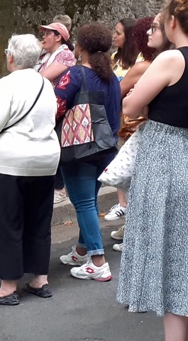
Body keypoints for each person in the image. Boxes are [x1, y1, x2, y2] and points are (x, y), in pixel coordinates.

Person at [118, 0, 188, 339]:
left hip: (166, 159)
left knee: (173, 267)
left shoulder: (170, 58)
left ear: (173, 22)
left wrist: (144, 100)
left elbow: (130, 104)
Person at [0, 34, 60, 306]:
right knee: (38, 220)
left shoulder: (6, 85)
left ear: (10, 56)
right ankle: (39, 278)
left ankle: (8, 285)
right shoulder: (46, 85)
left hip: (10, 163)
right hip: (45, 161)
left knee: (7, 221)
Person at [55, 23, 120, 281]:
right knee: (89, 201)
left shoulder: (75, 74)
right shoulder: (111, 77)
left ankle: (97, 260)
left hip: (78, 148)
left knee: (83, 203)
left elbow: (56, 106)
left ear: (80, 46)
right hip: (105, 147)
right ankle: (82, 250)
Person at [103, 17, 151, 225]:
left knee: (132, 172)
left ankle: (130, 219)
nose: (114, 36)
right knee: (123, 169)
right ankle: (124, 210)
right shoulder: (114, 57)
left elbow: (119, 92)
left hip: (135, 121)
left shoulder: (141, 62)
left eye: (119, 33)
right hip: (121, 121)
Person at [34, 21, 76, 205]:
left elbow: (41, 77)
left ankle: (59, 189)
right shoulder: (45, 55)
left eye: (48, 34)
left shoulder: (65, 55)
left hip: (59, 109)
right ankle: (48, 186)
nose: (43, 37)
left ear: (58, 37)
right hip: (45, 107)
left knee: (56, 147)